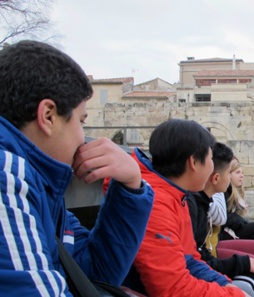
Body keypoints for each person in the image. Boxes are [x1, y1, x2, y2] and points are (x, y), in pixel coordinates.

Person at [0, 40, 154, 295]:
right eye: (81, 121)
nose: (83, 137)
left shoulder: (43, 187)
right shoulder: (7, 177)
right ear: (48, 116)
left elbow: (91, 273)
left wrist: (131, 187)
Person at [126, 119, 248, 296]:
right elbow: (172, 289)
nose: (213, 167)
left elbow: (189, 258)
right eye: (210, 159)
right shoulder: (156, 205)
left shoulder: (177, 196)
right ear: (194, 162)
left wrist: (224, 283)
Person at [187, 142, 254, 297]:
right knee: (252, 278)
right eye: (229, 174)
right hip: (199, 268)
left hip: (204, 260)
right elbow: (193, 261)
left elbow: (198, 256)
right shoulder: (191, 204)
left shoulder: (198, 202)